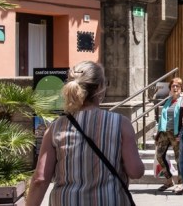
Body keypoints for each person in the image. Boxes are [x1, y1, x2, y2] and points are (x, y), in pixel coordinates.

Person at [27, 61, 144, 206]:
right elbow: (135, 172)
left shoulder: (55, 128)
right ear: (99, 87)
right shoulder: (121, 124)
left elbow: (40, 179)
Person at [154, 77, 183, 191]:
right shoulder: (168, 100)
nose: (175, 88)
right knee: (159, 156)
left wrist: (182, 133)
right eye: (173, 86)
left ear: (181, 88)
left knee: (179, 158)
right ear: (170, 88)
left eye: (177, 86)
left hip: (177, 133)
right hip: (164, 132)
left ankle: (181, 182)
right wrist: (158, 134)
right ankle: (169, 180)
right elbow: (162, 118)